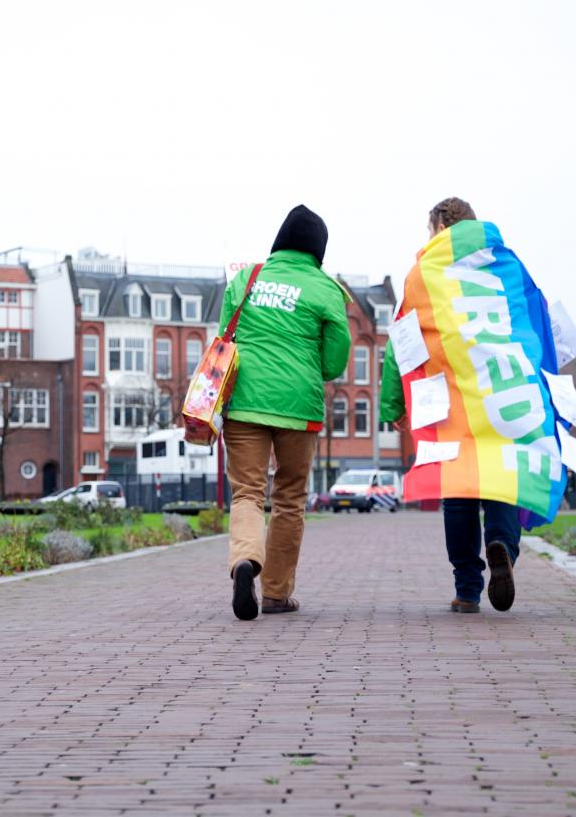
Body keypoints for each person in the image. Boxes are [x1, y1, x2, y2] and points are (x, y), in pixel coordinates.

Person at [380, 197, 525, 614]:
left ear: (441, 224)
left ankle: (467, 589)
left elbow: (402, 342)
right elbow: (529, 323)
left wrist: (394, 404)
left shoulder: (425, 273)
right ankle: (502, 547)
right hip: (501, 394)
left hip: (447, 400)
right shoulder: (506, 267)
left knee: (458, 491)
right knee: (499, 479)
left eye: (429, 230)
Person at [221, 204, 351, 620]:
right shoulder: (326, 289)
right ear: (319, 251)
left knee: (247, 492)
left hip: (245, 400)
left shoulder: (247, 276)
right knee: (290, 497)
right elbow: (334, 362)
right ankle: (276, 593)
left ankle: (246, 561)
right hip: (299, 406)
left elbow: (227, 335)